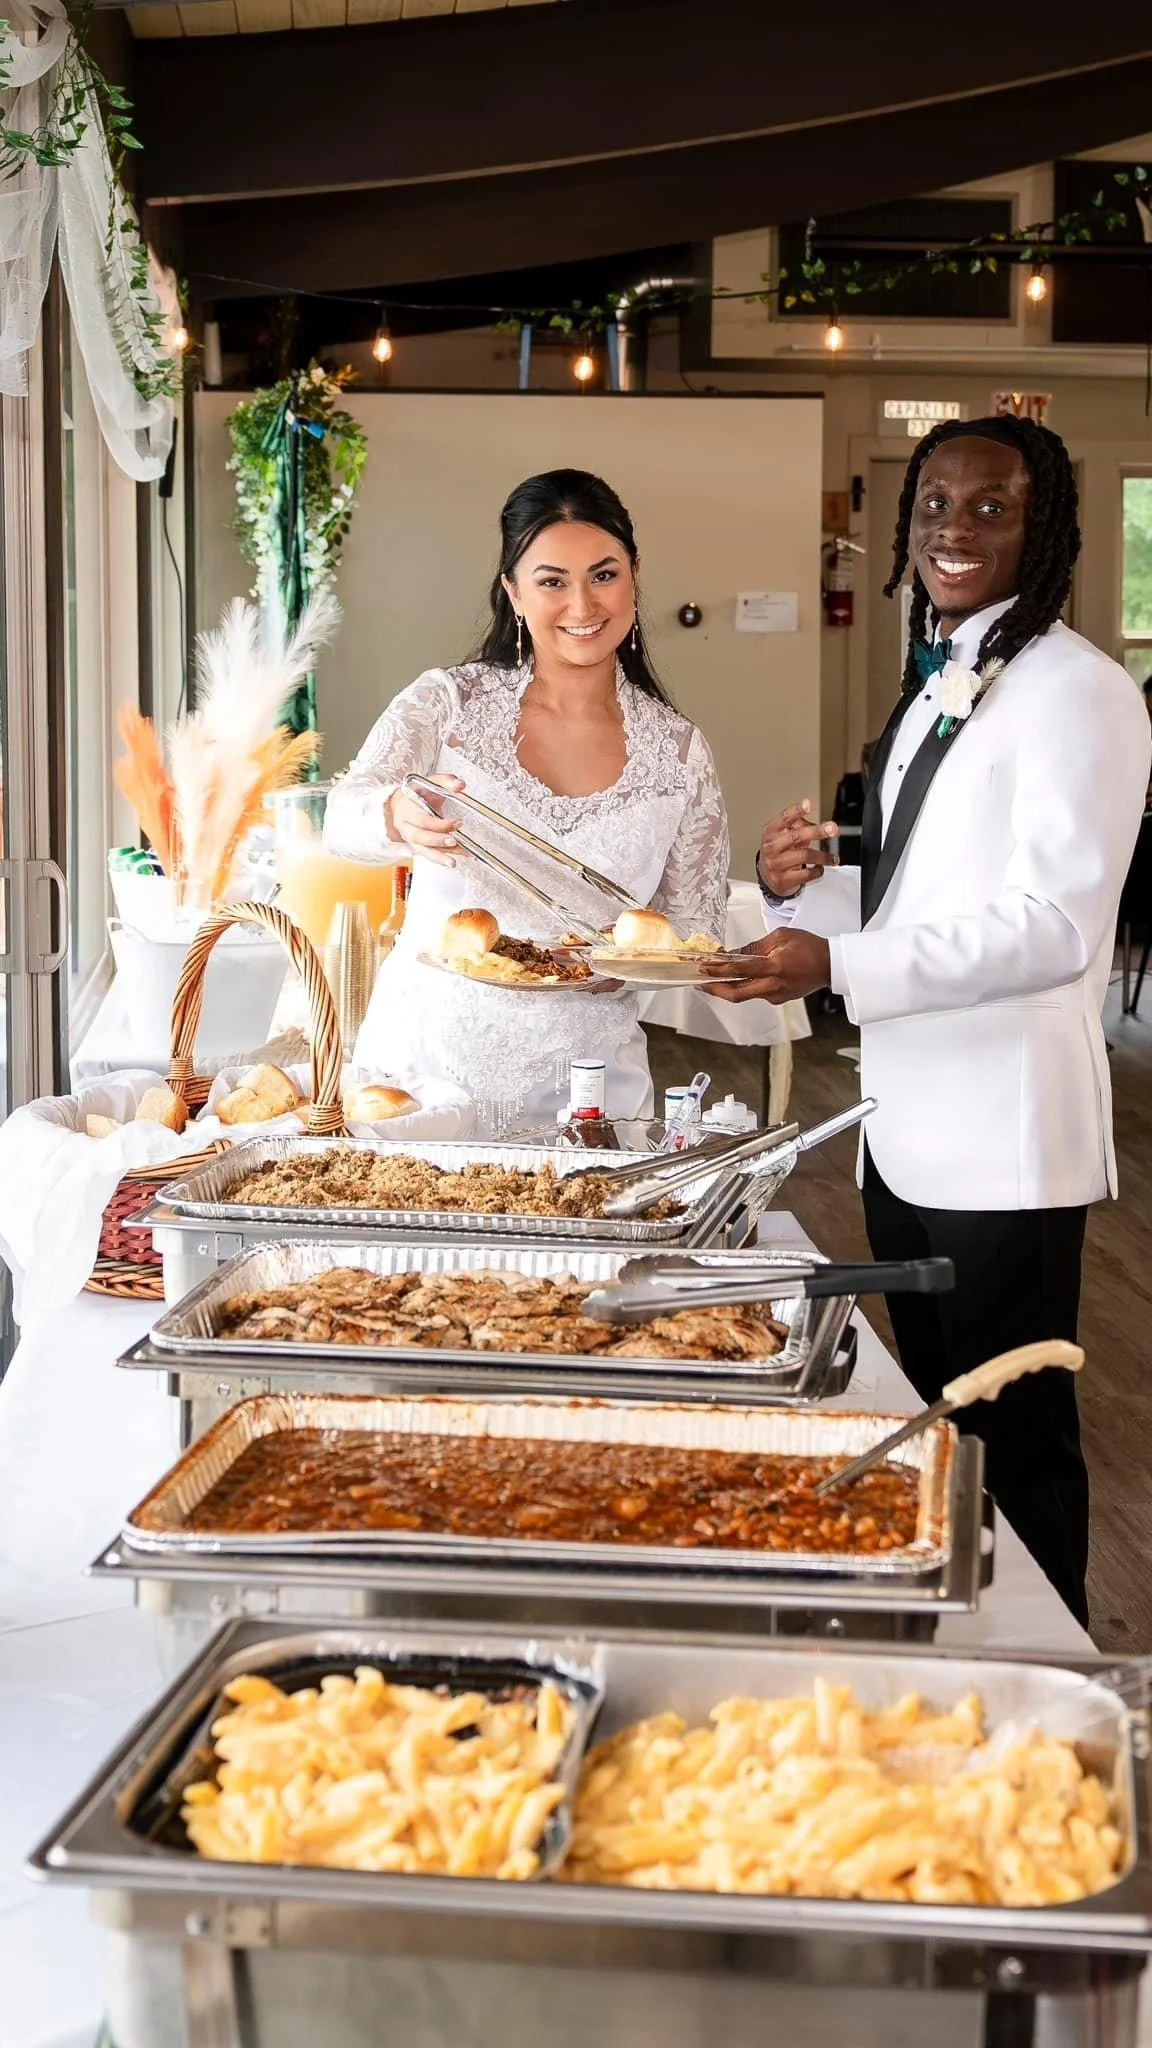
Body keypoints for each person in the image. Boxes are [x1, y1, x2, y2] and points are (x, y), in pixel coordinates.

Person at [710, 415, 1151, 1626]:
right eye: (935, 505)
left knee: (1017, 1435)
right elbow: (923, 895)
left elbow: (1055, 927)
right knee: (948, 1422)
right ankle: (961, 1639)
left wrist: (837, 958)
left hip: (1004, 1139)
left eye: (991, 507)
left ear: (1044, 528)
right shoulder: (938, 679)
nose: (955, 528)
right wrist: (806, 888)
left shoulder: (1081, 692)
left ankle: (1056, 1668)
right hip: (904, 1124)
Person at [324, 468, 730, 1129]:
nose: (582, 605)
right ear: (513, 591)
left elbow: (690, 932)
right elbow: (340, 819)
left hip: (589, 1088)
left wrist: (632, 968)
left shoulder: (681, 754)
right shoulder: (446, 703)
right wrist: (394, 813)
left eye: (604, 575)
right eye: (551, 581)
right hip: (427, 1074)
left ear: (634, 576)